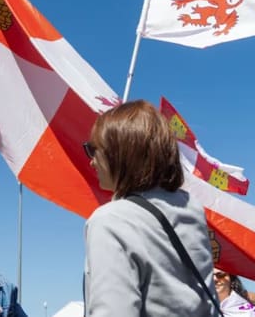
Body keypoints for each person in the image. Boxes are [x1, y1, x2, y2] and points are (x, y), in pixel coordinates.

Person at [82, 99, 218, 316]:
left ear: (118, 152)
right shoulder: (191, 208)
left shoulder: (110, 221)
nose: (91, 161)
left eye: (92, 149)